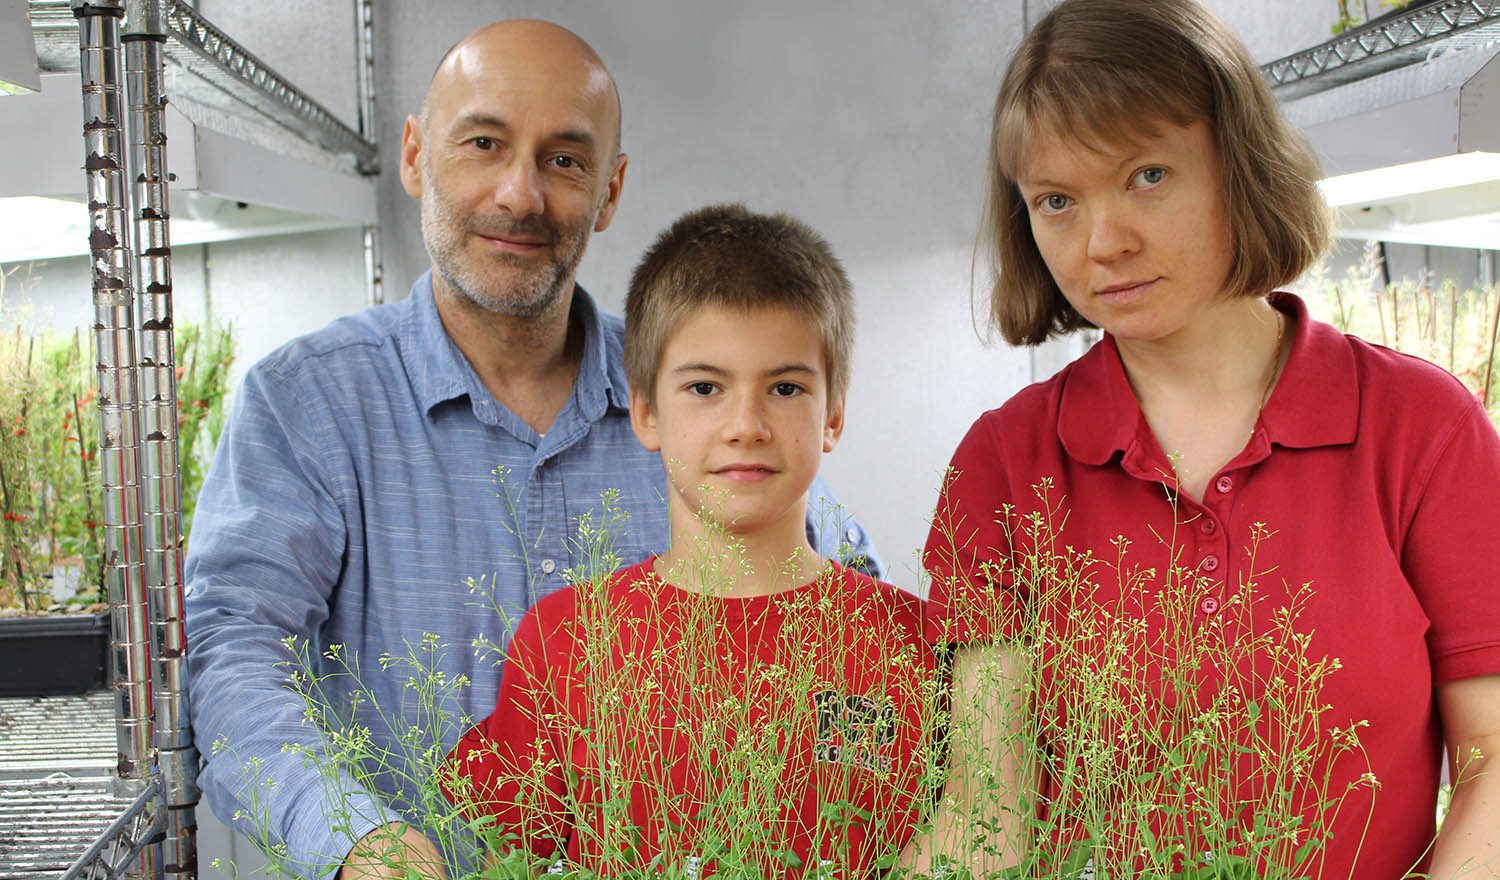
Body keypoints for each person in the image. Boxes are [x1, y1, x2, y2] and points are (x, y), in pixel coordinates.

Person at [183, 24, 880, 880]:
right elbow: (234, 656)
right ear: (413, 156)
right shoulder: (306, 402)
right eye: (483, 144)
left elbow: (847, 603)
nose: (520, 195)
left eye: (565, 160)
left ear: (610, 190)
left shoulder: (693, 391)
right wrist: (356, 840)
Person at [916, 0, 1500, 877]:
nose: (1102, 243)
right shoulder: (1005, 462)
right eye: (1057, 200)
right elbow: (982, 811)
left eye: (1147, 175)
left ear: (1241, 168)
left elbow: (1494, 757)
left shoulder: (1422, 426)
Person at [441, 204, 936, 878]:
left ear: (834, 415)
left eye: (785, 387)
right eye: (705, 387)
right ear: (645, 411)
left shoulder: (917, 642)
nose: (746, 425)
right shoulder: (565, 642)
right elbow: (503, 855)